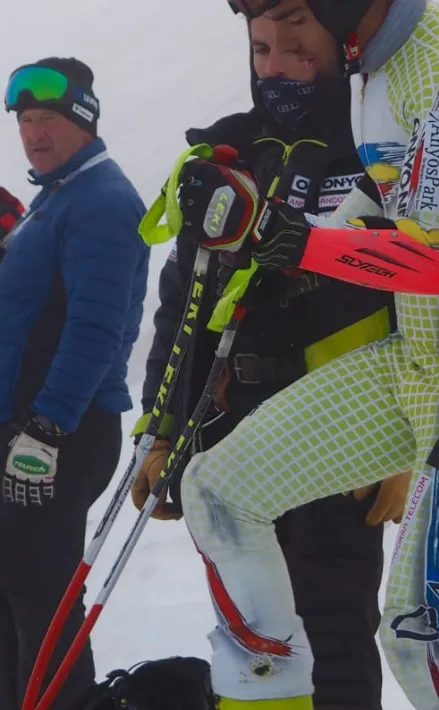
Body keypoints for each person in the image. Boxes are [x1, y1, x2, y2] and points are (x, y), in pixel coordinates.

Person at [148, 1, 439, 708]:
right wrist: (275, 240)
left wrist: (297, 241)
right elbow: (379, 202)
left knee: (418, 635)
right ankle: (272, 699)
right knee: (218, 495)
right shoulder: (374, 65)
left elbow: (432, 263)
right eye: (262, 37)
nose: (281, 51)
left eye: (292, 20)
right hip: (419, 363)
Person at [128, 9, 413, 710]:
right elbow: (183, 308)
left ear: (339, 50)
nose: (276, 66)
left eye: (296, 48)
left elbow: (418, 308)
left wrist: (403, 444)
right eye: (262, 49)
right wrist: (160, 431)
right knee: (251, 641)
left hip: (339, 433)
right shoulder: (228, 151)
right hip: (231, 424)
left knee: (336, 642)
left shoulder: (376, 149)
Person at [0, 57, 149, 709]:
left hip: (63, 429)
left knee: (44, 588)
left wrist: (46, 428)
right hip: (33, 425)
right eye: (26, 120)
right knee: (18, 586)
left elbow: (97, 327)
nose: (34, 133)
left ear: (83, 120)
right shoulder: (57, 198)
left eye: (50, 118)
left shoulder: (102, 202)